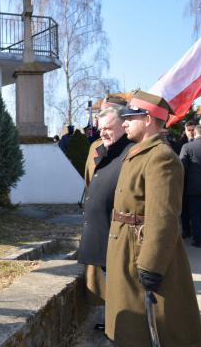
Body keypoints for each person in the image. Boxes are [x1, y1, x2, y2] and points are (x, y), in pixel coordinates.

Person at [105, 90, 201, 347]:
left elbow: (163, 217)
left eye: (130, 116)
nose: (123, 122)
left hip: (140, 254)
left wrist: (151, 265)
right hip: (125, 249)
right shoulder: (138, 152)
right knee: (128, 330)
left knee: (150, 332)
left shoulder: (160, 157)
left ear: (148, 118)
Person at [77, 96, 133, 330]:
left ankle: (121, 324)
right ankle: (111, 320)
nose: (103, 133)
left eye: (108, 128)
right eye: (101, 129)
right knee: (103, 274)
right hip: (98, 225)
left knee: (121, 280)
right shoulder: (95, 148)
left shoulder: (133, 151)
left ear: (124, 124)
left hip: (118, 226)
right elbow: (91, 180)